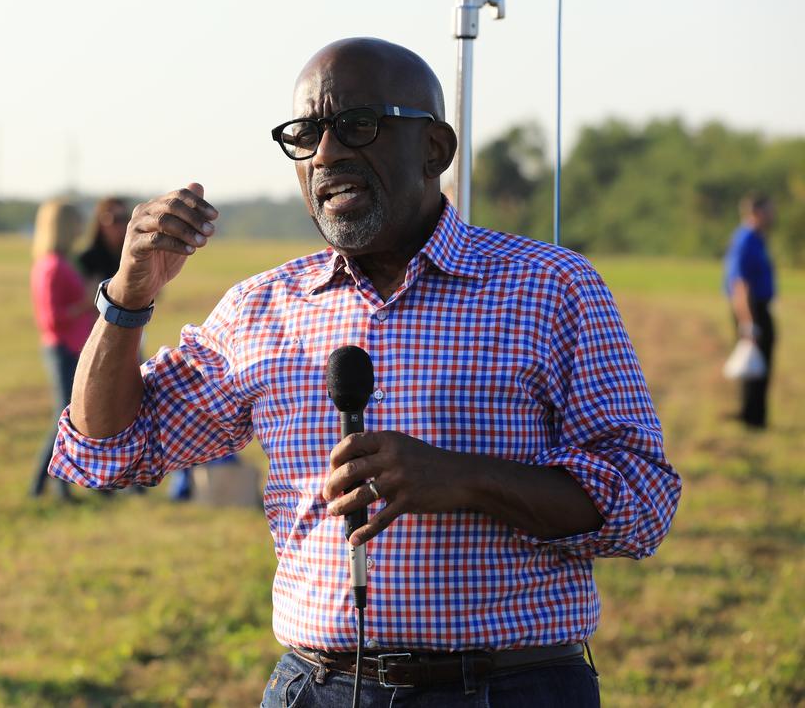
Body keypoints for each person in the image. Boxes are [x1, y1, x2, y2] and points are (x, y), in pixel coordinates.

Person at [51, 37, 681, 704]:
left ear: (434, 148)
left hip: (509, 685)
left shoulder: (551, 286)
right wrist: (128, 296)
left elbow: (641, 499)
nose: (325, 154)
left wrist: (462, 478)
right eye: (306, 132)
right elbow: (110, 447)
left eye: (357, 125)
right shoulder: (261, 307)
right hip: (318, 686)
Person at [29, 199, 96, 499]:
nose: (82, 228)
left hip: (72, 347)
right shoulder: (52, 267)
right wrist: (86, 302)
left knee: (67, 416)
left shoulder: (61, 263)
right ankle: (46, 485)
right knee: (65, 417)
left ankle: (54, 486)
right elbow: (50, 319)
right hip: (63, 349)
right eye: (77, 222)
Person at [723, 193, 777, 428]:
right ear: (756, 212)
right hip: (751, 308)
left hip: (760, 306)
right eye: (769, 210)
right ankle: (753, 418)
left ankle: (754, 414)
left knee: (759, 362)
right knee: (756, 361)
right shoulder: (745, 239)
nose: (773, 215)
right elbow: (739, 285)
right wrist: (747, 321)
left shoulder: (758, 238)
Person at [76, 196, 131, 285]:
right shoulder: (87, 260)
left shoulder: (130, 257)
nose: (121, 225)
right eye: (115, 219)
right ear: (100, 222)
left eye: (124, 218)